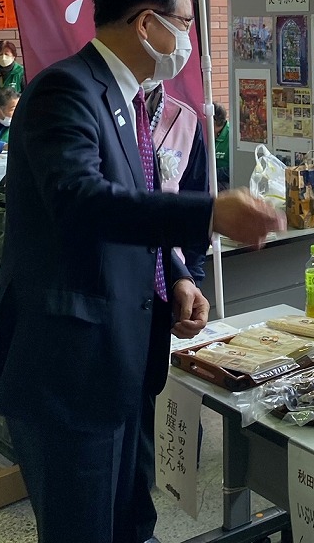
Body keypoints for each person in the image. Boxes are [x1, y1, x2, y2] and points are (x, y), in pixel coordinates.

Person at [0, 0, 282, 543]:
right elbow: (81, 201)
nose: (188, 41)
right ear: (148, 24)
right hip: (70, 362)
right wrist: (209, 212)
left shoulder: (135, 98)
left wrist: (178, 276)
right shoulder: (66, 90)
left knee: (128, 519)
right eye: (186, 24)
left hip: (123, 355)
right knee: (83, 526)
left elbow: (135, 202)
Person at [133, 72, 213, 543]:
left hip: (170, 276)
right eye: (178, 21)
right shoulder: (93, 103)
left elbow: (195, 205)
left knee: (156, 389)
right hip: (119, 292)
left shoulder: (185, 119)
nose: (183, 36)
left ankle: (141, 522)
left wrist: (188, 275)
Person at [214, 102, 230, 190]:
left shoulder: (231, 136)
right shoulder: (207, 134)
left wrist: (211, 173)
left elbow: (233, 170)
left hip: (225, 183)